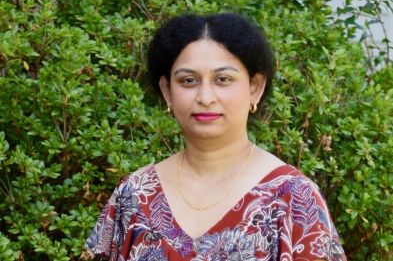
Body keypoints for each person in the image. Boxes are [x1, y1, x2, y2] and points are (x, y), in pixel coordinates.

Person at [85, 13, 346, 261]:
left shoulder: (293, 197)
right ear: (167, 91)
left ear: (255, 87)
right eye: (188, 81)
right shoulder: (134, 195)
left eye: (222, 79)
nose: (205, 97)